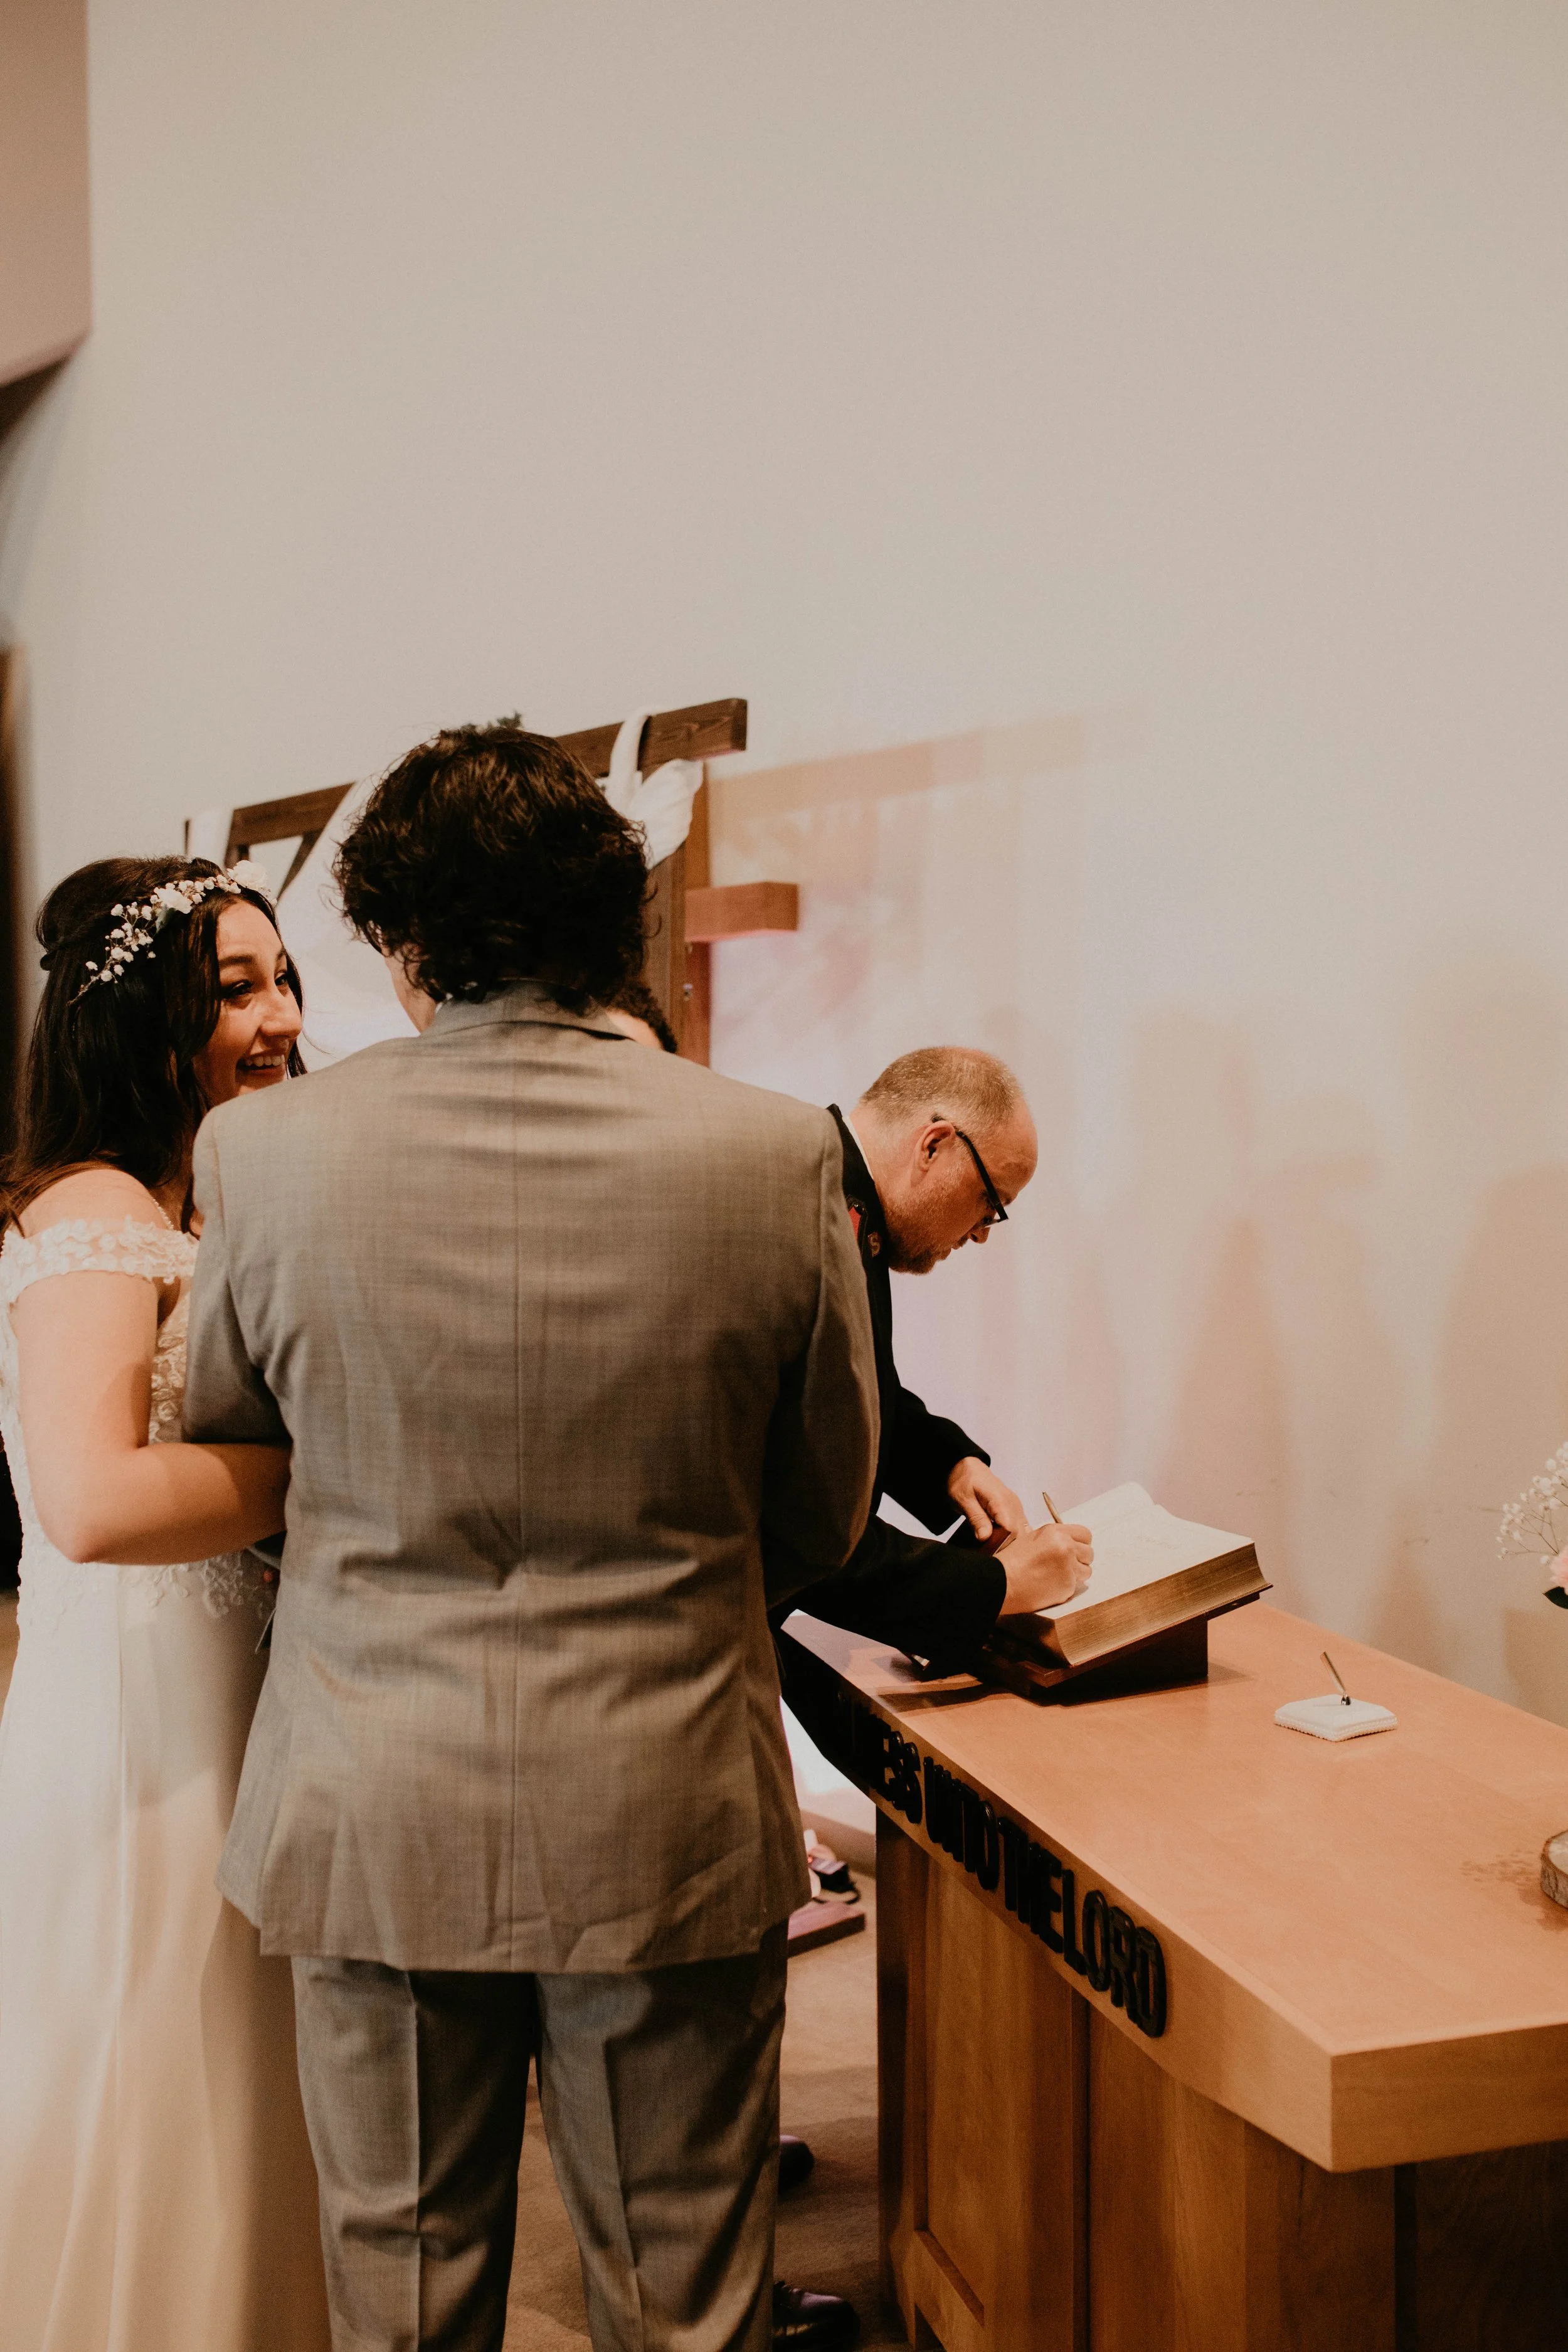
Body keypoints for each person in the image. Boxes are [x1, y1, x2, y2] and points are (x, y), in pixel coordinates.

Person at [183, 720, 880, 2352]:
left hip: (372, 1791)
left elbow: (238, 1437)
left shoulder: (264, 1155)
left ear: (402, 942)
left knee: (404, 2297)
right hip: (665, 1794)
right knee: (682, 2297)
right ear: (607, 923)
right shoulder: (774, 1152)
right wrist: (678, 1589)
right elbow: (822, 1503)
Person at [0, 856, 331, 2352]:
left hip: (226, 1682)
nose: (281, 1015)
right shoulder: (96, 1209)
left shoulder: (205, 1194)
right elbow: (88, 1502)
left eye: (284, 977)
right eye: (237, 986)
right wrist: (319, 1466)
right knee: (158, 2045)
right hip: (144, 1700)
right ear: (144, 1013)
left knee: (234, 2059)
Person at [787, 1049, 1092, 1674]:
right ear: (934, 1145)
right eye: (990, 1201)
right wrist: (997, 1588)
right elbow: (802, 1522)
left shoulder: (835, 1190)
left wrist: (946, 1466)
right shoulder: (809, 1216)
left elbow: (849, 1392)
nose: (982, 1232)